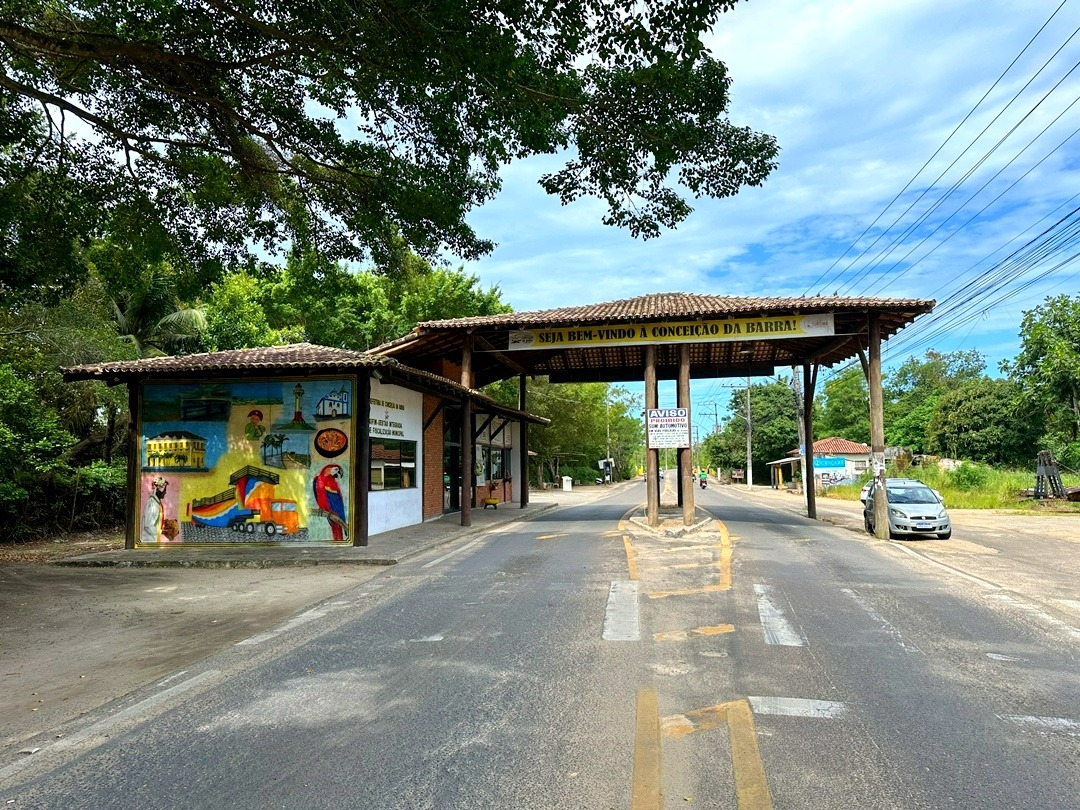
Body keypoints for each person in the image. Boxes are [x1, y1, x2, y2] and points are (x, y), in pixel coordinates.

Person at [140, 476, 168, 544]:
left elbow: (154, 520)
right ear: (159, 490)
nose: (165, 492)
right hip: (149, 541)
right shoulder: (152, 504)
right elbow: (148, 526)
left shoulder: (156, 502)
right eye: (164, 490)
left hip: (153, 539)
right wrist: (162, 531)